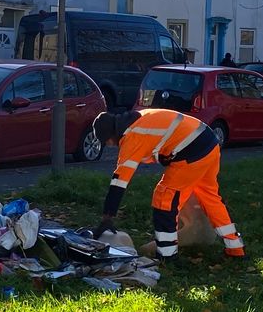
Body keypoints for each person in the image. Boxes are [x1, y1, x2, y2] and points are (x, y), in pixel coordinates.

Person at [91, 109, 244, 261]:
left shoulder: (133, 136)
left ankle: (167, 255)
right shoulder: (139, 118)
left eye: (107, 142)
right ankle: (236, 249)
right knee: (210, 198)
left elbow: (119, 182)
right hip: (209, 143)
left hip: (192, 153)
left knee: (164, 199)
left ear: (110, 135)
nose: (110, 146)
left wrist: (107, 218)